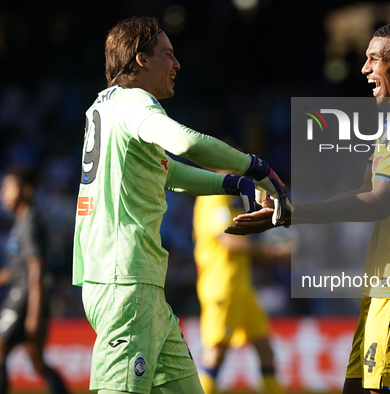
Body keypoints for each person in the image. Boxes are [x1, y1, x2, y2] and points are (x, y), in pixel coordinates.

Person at [228, 22, 390, 394]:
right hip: (388, 284)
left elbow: (379, 201)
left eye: (374, 59)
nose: (365, 69)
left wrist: (291, 214)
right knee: (356, 388)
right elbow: (368, 188)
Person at [72, 16, 290, 394]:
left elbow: (169, 171)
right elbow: (185, 144)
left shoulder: (104, 107)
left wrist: (235, 182)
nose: (177, 64)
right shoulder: (135, 102)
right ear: (141, 59)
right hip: (126, 281)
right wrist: (256, 167)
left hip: (135, 283)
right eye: (168, 55)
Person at [194, 181, 287, 394]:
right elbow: (227, 239)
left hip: (242, 288)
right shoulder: (213, 197)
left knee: (265, 350)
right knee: (216, 352)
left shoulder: (230, 199)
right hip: (222, 286)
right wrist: (269, 252)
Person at [0, 166, 70, 394]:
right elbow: (18, 268)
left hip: (24, 302)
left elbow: (36, 269)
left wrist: (34, 313)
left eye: (9, 187)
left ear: (27, 190)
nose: (4, 193)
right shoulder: (21, 222)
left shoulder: (30, 222)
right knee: (37, 363)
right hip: (22, 299)